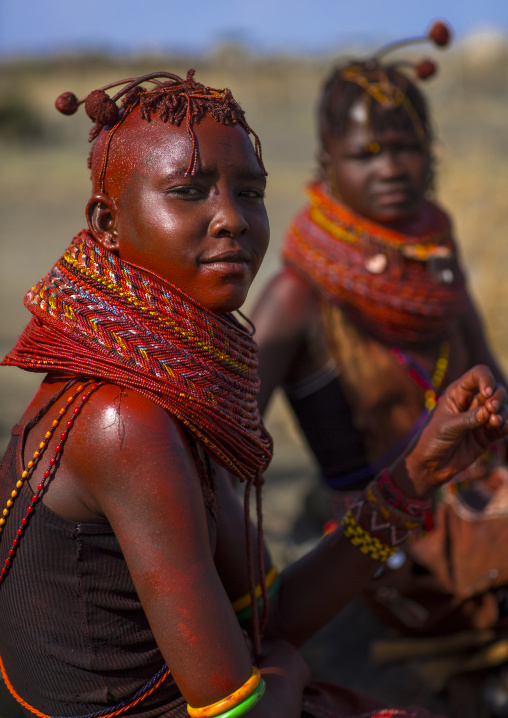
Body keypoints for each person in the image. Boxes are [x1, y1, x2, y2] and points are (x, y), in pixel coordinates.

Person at [0, 68, 506, 718]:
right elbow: (241, 707)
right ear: (107, 222)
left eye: (251, 192)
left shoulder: (169, 385)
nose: (233, 220)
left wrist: (414, 477)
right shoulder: (124, 421)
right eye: (188, 191)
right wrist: (283, 674)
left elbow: (268, 617)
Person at [251, 22, 508, 637]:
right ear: (328, 164)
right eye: (365, 154)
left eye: (405, 147)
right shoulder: (298, 297)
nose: (390, 168)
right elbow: (216, 444)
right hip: (382, 542)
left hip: (481, 508)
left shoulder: (438, 269)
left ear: (430, 152)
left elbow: (497, 387)